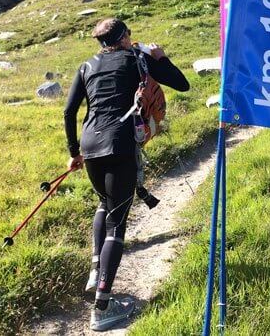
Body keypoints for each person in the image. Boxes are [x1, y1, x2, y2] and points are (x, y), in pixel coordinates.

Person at [64, 18, 190, 331]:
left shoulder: (87, 66)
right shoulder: (139, 58)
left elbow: (68, 112)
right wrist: (161, 58)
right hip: (120, 145)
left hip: (90, 145)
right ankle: (102, 309)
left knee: (105, 205)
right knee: (116, 225)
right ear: (124, 38)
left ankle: (96, 271)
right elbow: (181, 84)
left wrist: (74, 153)